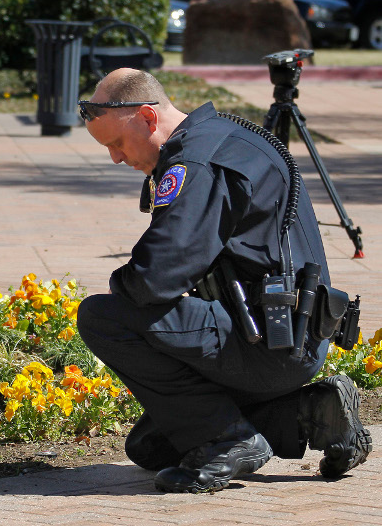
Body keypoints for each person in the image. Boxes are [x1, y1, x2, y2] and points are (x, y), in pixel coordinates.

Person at [75, 68, 372, 493]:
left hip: (266, 343)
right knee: (150, 447)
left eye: (117, 143)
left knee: (104, 317)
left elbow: (155, 277)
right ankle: (314, 412)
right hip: (288, 336)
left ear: (146, 116)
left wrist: (119, 287)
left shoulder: (198, 161)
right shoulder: (223, 137)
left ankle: (228, 441)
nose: (116, 158)